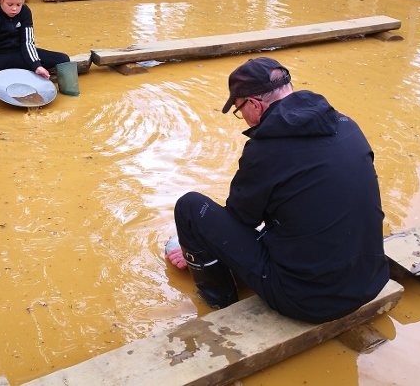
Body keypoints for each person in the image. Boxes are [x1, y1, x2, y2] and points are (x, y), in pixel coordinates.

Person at [166, 57, 389, 323]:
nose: (244, 119)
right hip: (369, 281)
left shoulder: (265, 149)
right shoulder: (348, 125)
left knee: (190, 207)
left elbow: (241, 219)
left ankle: (217, 302)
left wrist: (202, 249)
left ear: (255, 104)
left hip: (306, 301)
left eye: (239, 110)